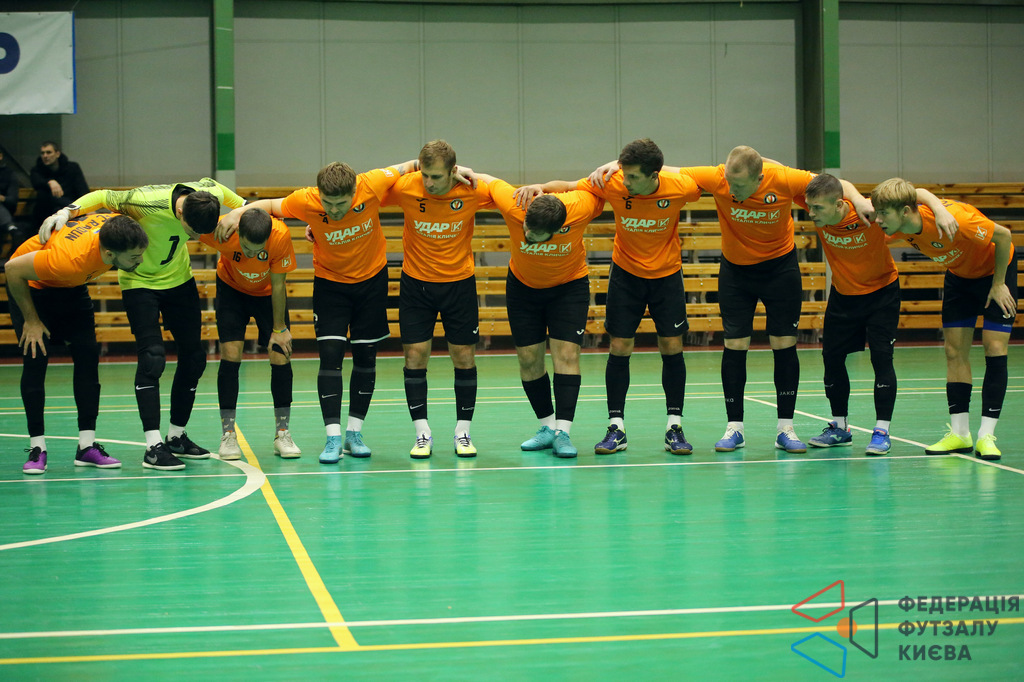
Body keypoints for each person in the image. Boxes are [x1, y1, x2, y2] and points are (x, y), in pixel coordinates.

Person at [218, 159, 417, 463]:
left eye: (341, 203)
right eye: (328, 203)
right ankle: (333, 438)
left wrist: (462, 171)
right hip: (330, 285)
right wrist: (236, 212)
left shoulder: (372, 183)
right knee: (330, 358)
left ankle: (354, 434)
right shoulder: (307, 200)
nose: (334, 210)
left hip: (371, 283)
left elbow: (411, 165)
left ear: (354, 192)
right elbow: (270, 205)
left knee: (366, 359)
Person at [516, 138, 705, 456]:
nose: (625, 181)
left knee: (672, 346)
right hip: (626, 275)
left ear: (653, 174)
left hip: (667, 275)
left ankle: (674, 427)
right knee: (619, 346)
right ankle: (616, 427)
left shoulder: (680, 186)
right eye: (624, 173)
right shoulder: (613, 181)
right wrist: (542, 188)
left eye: (633, 176)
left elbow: (712, 179)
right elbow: (571, 186)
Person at [675, 147, 871, 454]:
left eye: (740, 185)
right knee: (734, 345)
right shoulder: (718, 177)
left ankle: (785, 429)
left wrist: (859, 200)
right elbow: (667, 172)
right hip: (735, 273)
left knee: (784, 344)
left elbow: (833, 183)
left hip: (780, 270)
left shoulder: (784, 179)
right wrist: (613, 166)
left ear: (759, 178)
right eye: (729, 183)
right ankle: (734, 428)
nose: (732, 190)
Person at [41, 178, 245, 471]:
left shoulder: (207, 193)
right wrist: (66, 211)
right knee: (152, 358)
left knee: (195, 358)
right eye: (192, 231)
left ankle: (176, 437)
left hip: (179, 280)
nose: (196, 237)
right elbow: (103, 195)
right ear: (180, 213)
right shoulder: (145, 202)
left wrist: (240, 210)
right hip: (139, 283)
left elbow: (233, 197)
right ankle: (153, 447)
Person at [871, 177, 1017, 461]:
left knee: (995, 348)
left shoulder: (959, 221)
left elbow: (1003, 236)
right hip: (959, 278)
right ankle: (960, 434)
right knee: (953, 352)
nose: (878, 219)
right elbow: (914, 193)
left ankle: (987, 436)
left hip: (996, 273)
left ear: (905, 211)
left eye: (883, 213)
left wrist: (999, 283)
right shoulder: (897, 226)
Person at [473, 171, 604, 458]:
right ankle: (547, 426)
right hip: (523, 289)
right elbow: (486, 180)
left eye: (536, 237)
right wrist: (462, 171)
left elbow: (600, 187)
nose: (528, 236)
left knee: (566, 356)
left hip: (569, 287)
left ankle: (563, 432)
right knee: (529, 359)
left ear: (559, 229)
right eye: (527, 230)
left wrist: (549, 184)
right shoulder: (515, 204)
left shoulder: (581, 206)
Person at [5, 213, 147, 474]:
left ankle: (86, 447)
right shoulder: (68, 259)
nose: (140, 261)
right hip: (33, 286)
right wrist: (31, 320)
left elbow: (102, 199)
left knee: (88, 359)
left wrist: (67, 211)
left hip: (72, 286)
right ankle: (37, 449)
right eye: (134, 258)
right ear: (109, 253)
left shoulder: (119, 227)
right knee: (35, 360)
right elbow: (12, 269)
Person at [385, 140, 494, 459]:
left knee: (464, 357)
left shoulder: (471, 190)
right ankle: (422, 434)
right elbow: (362, 194)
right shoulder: (406, 186)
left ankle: (463, 432)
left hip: (459, 285)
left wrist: (476, 174)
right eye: (425, 175)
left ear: (453, 172)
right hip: (416, 285)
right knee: (414, 356)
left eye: (436, 176)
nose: (429, 183)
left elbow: (507, 192)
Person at [198, 208, 299, 460]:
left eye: (257, 250)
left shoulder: (280, 236)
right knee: (230, 354)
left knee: (281, 354)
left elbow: (279, 284)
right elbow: (189, 224)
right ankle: (228, 434)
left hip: (267, 294)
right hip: (231, 290)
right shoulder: (223, 231)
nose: (251, 255)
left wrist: (279, 329)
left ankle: (283, 433)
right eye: (246, 248)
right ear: (238, 233)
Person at [30, 141, 89, 232]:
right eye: (43, 153)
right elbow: (36, 182)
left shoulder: (72, 168)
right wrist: (50, 182)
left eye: (49, 152)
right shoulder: (37, 170)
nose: (45, 156)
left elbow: (82, 189)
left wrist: (88, 208)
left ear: (57, 154)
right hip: (48, 211)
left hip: (71, 209)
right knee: (43, 194)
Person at [0, 148, 19, 239]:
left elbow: (12, 200)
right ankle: (11, 227)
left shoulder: (9, 174)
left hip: (6, 208)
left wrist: (1, 198)